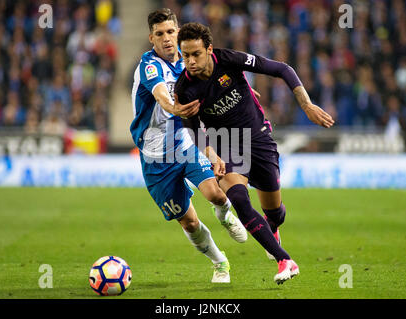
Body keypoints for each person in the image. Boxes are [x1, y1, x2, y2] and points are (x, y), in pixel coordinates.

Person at [174, 22, 335, 284]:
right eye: (185, 55)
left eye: (196, 54)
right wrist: (211, 155)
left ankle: (273, 228)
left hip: (258, 138)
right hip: (226, 144)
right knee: (238, 198)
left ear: (209, 50)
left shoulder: (229, 60)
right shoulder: (184, 88)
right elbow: (192, 129)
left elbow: (283, 69)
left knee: (274, 211)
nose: (190, 61)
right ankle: (285, 260)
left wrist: (306, 105)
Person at [130, 9, 247, 284]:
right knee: (190, 223)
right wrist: (175, 107)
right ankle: (220, 263)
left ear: (178, 32)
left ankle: (225, 213)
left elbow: (217, 81)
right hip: (155, 157)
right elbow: (161, 95)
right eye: (160, 34)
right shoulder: (149, 66)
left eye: (171, 32)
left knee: (216, 193)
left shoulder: (188, 63)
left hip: (184, 143)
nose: (167, 38)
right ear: (151, 38)